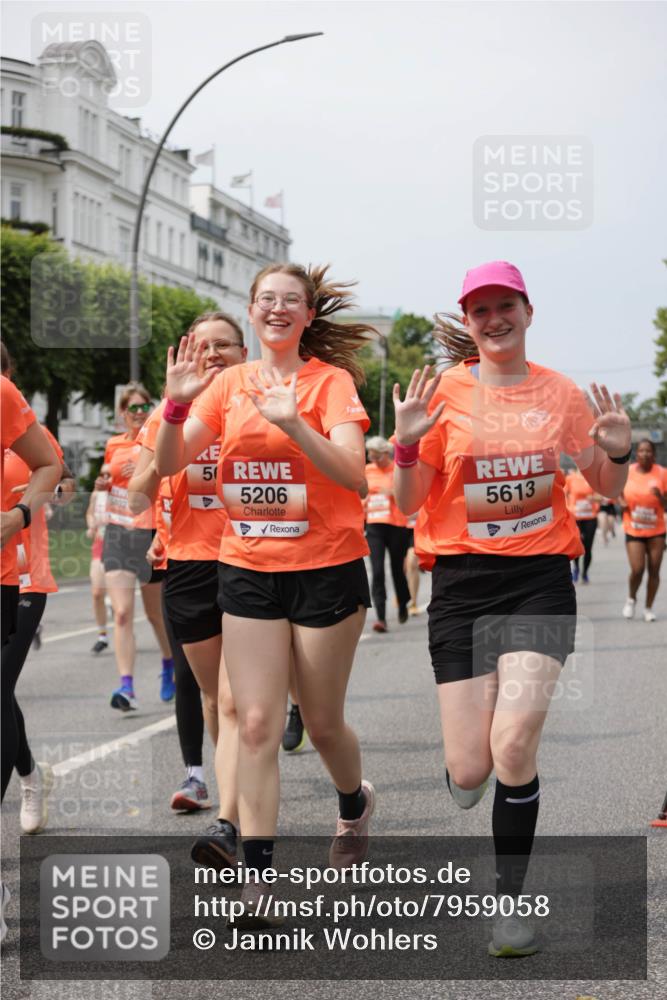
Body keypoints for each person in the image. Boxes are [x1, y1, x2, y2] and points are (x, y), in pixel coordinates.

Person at [392, 261, 631, 957]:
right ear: (468, 323)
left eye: (505, 306)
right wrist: (406, 444)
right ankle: (465, 768)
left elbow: (604, 484)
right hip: (461, 584)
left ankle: (509, 906)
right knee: (471, 769)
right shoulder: (443, 394)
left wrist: (615, 452)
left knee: (514, 745)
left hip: (537, 580)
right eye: (480, 310)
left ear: (528, 312)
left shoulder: (559, 393)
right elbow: (408, 501)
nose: (494, 319)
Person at [155, 263, 376, 925]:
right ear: (251, 311)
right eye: (266, 300)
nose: (277, 309)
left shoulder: (330, 383)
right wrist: (174, 406)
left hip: (326, 567)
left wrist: (295, 425)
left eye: (291, 301)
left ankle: (353, 801)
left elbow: (355, 475)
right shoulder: (229, 384)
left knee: (322, 722)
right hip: (247, 566)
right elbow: (168, 463)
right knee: (254, 724)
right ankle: (258, 882)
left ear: (308, 315)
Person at [128, 313, 247, 844]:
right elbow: (138, 496)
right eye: (204, 346)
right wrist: (172, 433)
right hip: (191, 565)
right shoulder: (166, 414)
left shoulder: (262, 405)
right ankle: (226, 790)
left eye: (225, 344)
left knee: (239, 699)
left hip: (255, 562)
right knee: (215, 697)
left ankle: (236, 807)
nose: (214, 354)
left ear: (244, 352)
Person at [1, 370, 60, 941]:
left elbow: (50, 475)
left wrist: (19, 514)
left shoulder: (21, 424)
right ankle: (31, 772)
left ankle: (30, 782)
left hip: (22, 580)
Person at [96, 383, 174, 711]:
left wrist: (142, 473)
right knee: (122, 613)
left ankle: (169, 663)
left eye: (144, 407)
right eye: (133, 408)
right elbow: (107, 479)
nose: (139, 413)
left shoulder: (157, 439)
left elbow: (168, 480)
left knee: (156, 614)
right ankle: (126, 686)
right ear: (123, 413)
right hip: (118, 533)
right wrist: (102, 484)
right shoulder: (113, 444)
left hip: (148, 532)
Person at [363, 436, 411, 631]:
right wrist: (364, 501)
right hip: (374, 525)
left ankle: (403, 602)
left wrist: (391, 492)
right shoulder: (367, 470)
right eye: (371, 457)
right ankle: (381, 618)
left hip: (396, 525)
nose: (374, 460)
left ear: (386, 454)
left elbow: (409, 494)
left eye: (377, 457)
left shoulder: (397, 469)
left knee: (397, 569)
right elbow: (361, 493)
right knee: (377, 571)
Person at [620, 438, 667, 621]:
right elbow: (616, 491)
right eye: (641, 450)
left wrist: (660, 497)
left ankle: (648, 608)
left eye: (648, 451)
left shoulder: (662, 473)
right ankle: (631, 598)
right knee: (638, 569)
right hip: (634, 528)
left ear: (653, 454)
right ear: (636, 453)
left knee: (654, 570)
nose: (645, 454)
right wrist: (621, 501)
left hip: (656, 530)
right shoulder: (627, 472)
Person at [564, 467, 600, 582]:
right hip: (575, 518)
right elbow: (563, 494)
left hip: (590, 517)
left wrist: (593, 498)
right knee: (577, 544)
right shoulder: (570, 478)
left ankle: (585, 572)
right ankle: (576, 568)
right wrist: (567, 508)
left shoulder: (593, 478)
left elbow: (601, 497)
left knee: (588, 547)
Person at [85, 488, 110, 653]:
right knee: (97, 593)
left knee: (119, 596)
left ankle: (124, 629)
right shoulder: (97, 493)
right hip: (100, 545)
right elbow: (89, 513)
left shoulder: (126, 488)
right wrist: (92, 525)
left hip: (122, 545)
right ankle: (102, 636)